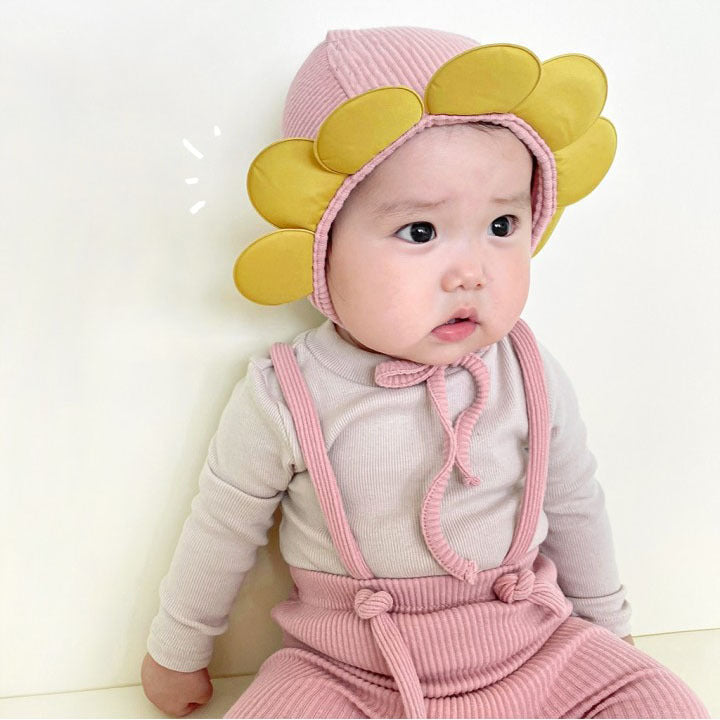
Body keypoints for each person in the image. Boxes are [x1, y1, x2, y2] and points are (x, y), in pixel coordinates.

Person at [141, 26, 711, 719]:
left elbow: (574, 503)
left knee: (663, 701)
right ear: (322, 244)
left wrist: (609, 634)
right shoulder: (288, 394)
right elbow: (221, 529)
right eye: (420, 232)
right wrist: (177, 651)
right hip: (350, 671)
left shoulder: (527, 371)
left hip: (536, 649)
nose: (471, 272)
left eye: (502, 226)